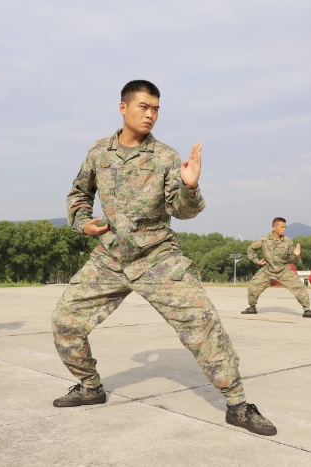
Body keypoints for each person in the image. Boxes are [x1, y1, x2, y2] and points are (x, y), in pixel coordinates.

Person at [50, 80, 276, 436]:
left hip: (158, 258)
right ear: (123, 108)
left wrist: (189, 186)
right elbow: (79, 194)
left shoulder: (166, 157)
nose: (150, 114)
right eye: (143, 107)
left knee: (204, 325)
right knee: (65, 321)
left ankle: (238, 404)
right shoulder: (98, 152)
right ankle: (90, 387)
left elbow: (182, 211)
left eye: (156, 108)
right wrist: (84, 224)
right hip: (110, 258)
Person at [242, 217, 311, 318]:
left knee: (299, 288)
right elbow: (251, 249)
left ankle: (307, 310)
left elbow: (292, 260)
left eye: (285, 227)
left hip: (283, 270)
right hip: (267, 270)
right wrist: (256, 261)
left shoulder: (288, 241)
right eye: (281, 227)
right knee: (253, 287)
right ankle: (252, 308)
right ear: (274, 227)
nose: (284, 229)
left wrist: (296, 255)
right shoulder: (264, 239)